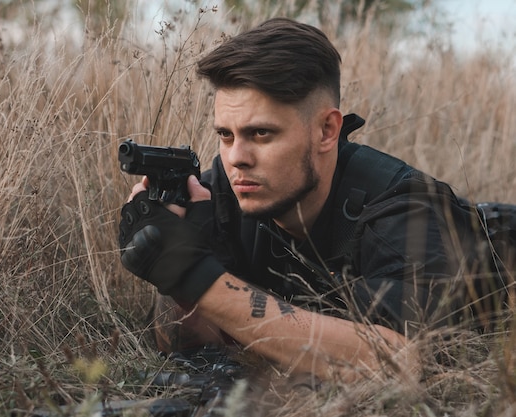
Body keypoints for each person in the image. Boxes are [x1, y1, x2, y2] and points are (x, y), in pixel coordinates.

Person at [118, 18, 508, 382]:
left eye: (261, 134)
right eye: (225, 135)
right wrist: (173, 263)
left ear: (326, 130)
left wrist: (198, 276)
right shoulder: (219, 192)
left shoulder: (403, 214)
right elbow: (193, 352)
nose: (237, 157)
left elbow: (403, 362)